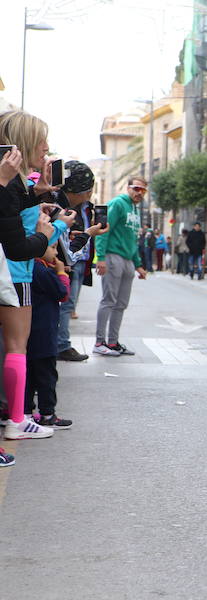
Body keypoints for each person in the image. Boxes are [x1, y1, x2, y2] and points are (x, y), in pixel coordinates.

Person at [0, 111, 73, 441]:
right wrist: (53, 229)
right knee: (17, 347)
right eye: (41, 139)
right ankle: (17, 418)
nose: (46, 147)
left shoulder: (16, 183)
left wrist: (40, 192)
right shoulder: (8, 182)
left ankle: (17, 417)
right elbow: (18, 246)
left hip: (12, 274)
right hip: (14, 277)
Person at [56, 160, 108, 362]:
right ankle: (61, 345)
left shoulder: (86, 207)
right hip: (67, 262)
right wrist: (87, 234)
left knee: (68, 306)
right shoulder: (62, 207)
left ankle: (60, 344)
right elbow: (63, 246)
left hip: (80, 261)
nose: (90, 193)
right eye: (88, 189)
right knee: (65, 306)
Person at [94, 176, 149, 357]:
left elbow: (132, 238)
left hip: (127, 261)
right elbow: (103, 230)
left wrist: (139, 265)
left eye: (143, 190)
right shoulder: (118, 204)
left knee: (121, 304)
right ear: (128, 188)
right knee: (109, 300)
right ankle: (99, 342)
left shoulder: (135, 209)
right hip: (112, 256)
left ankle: (113, 342)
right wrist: (100, 257)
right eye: (136, 188)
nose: (139, 193)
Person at [25, 242, 72, 429]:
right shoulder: (41, 270)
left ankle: (26, 412)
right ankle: (47, 413)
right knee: (47, 376)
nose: (55, 252)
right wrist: (61, 273)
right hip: (44, 332)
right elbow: (62, 293)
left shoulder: (30, 266)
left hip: (30, 330)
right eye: (52, 248)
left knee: (29, 375)